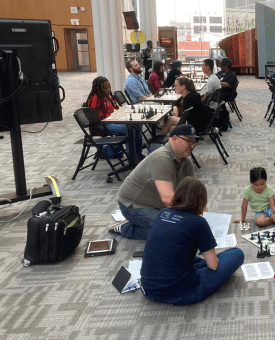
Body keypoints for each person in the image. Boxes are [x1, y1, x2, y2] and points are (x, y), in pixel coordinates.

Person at [140, 177, 244, 305]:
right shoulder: (198, 222)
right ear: (202, 201)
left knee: (179, 255)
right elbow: (213, 265)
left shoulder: (162, 213)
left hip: (148, 289)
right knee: (236, 254)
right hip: (181, 294)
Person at [112, 124, 202, 240]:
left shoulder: (186, 162)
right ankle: (127, 228)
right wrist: (188, 221)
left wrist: (203, 216)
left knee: (184, 228)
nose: (192, 146)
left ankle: (149, 223)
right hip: (134, 206)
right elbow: (168, 198)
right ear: (174, 138)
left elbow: (193, 194)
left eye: (194, 143)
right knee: (175, 232)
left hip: (156, 204)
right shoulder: (162, 158)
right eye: (188, 141)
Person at [86, 76, 144, 162]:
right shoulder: (95, 98)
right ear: (97, 89)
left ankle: (138, 155)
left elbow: (116, 109)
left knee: (138, 124)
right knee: (130, 129)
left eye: (109, 87)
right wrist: (114, 115)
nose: (108, 90)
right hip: (103, 125)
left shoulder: (109, 97)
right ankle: (133, 159)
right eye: (105, 88)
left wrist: (123, 111)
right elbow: (96, 117)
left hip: (113, 121)